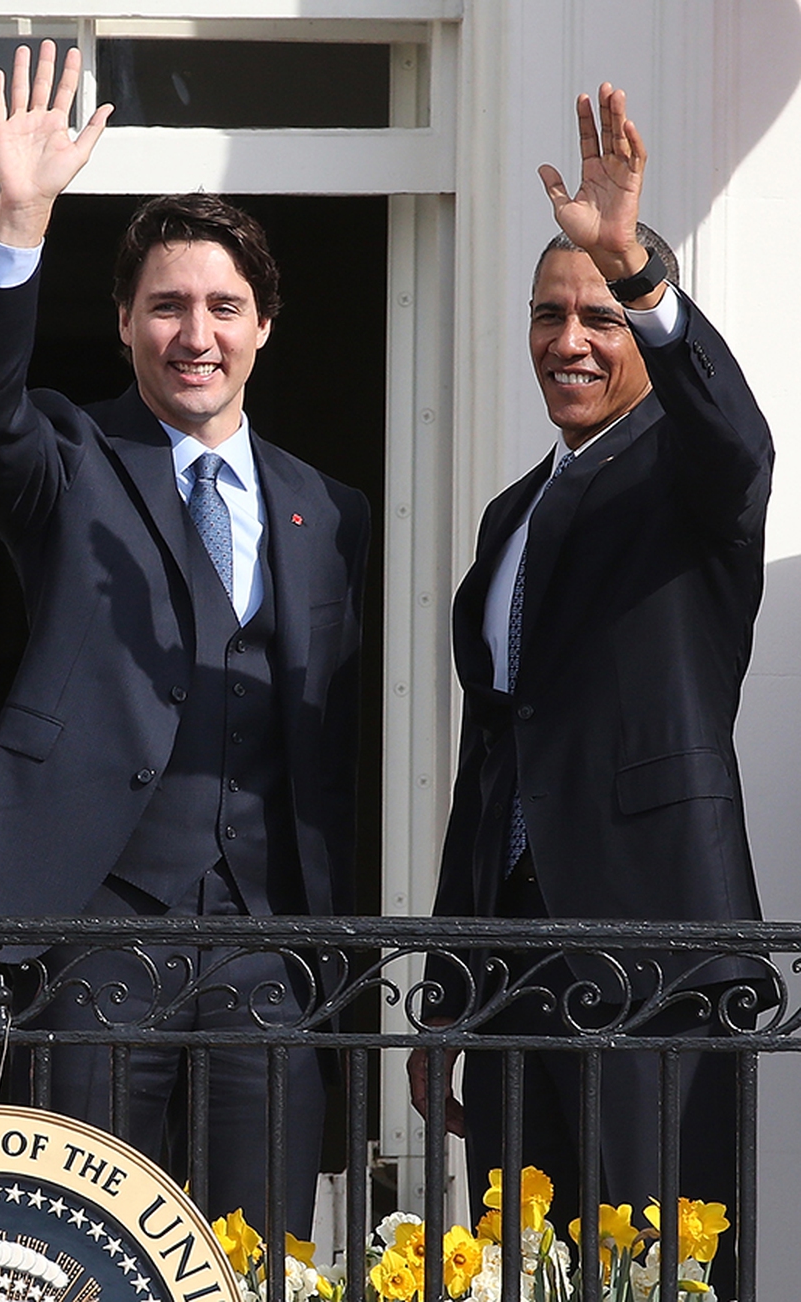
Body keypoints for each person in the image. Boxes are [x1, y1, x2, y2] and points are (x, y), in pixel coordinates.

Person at [0, 43, 369, 1235]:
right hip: (100, 922)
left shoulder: (327, 511)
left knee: (256, 1246)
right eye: (167, 305)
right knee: (84, 1242)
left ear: (265, 326)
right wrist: (23, 217)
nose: (196, 332)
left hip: (267, 945)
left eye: (224, 306)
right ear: (124, 321)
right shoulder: (70, 461)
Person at [414, 85, 771, 1242]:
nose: (568, 340)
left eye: (598, 318)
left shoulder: (686, 474)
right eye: (546, 316)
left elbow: (740, 443)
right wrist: (446, 994)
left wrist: (644, 278)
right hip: (518, 960)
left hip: (652, 958)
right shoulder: (516, 510)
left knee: (658, 1264)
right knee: (527, 1264)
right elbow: (493, 758)